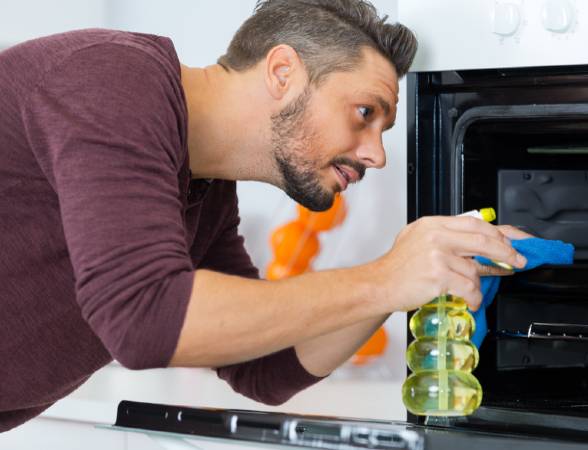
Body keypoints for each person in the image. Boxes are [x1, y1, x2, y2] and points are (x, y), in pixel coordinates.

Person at [0, 0, 527, 432]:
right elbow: (147, 320)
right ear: (282, 71)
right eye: (365, 113)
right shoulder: (111, 76)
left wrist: (404, 278)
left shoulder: (205, 195)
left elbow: (265, 370)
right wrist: (385, 278)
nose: (376, 155)